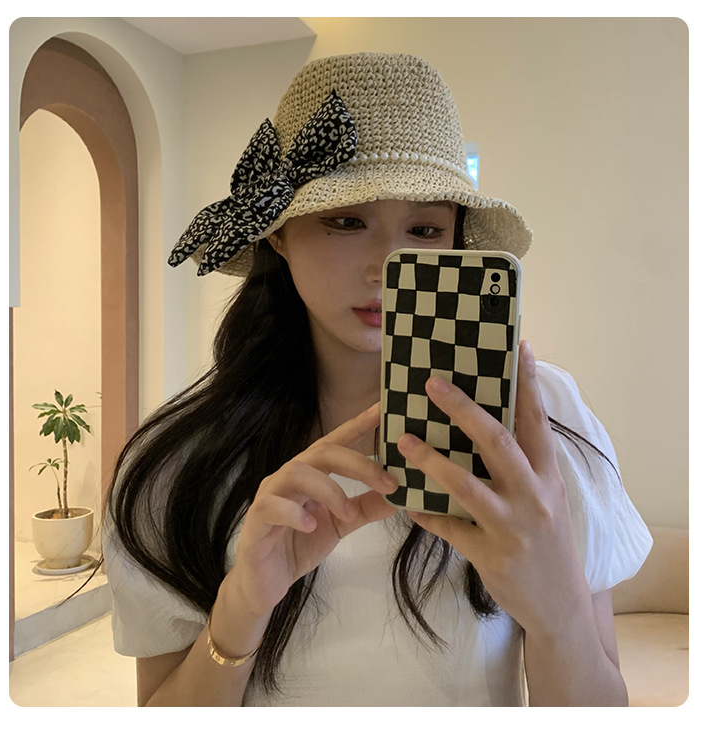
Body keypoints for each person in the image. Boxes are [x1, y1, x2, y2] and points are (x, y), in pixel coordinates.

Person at [103, 52, 652, 707]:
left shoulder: (538, 425)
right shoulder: (175, 466)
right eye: (345, 221)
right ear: (277, 234)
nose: (387, 265)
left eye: (424, 228)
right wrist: (241, 610)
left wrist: (555, 608)